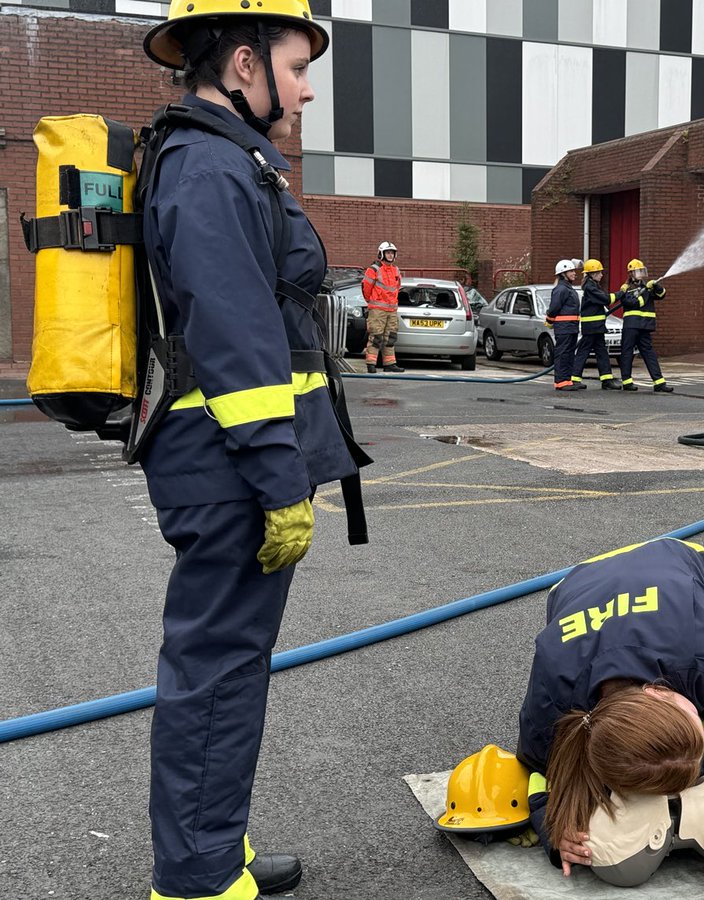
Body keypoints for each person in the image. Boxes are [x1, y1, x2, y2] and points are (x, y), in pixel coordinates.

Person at [140, 3, 368, 898]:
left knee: (229, 669)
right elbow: (237, 342)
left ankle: (210, 849)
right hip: (231, 468)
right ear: (244, 64)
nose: (307, 88)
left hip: (229, 462)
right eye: (297, 65)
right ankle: (196, 878)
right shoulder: (210, 169)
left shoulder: (227, 164)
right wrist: (280, 480)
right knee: (217, 673)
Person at [517, 538, 704, 875]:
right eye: (700, 728)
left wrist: (681, 781)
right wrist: (555, 832)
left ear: (660, 692)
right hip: (581, 584)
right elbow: (538, 770)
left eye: (698, 726)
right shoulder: (553, 689)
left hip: (688, 568)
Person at [615, 259, 671, 392]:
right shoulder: (626, 288)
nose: (641, 273)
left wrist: (657, 286)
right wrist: (646, 291)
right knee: (627, 352)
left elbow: (661, 295)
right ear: (631, 273)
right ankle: (627, 382)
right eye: (638, 271)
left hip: (645, 325)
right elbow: (634, 303)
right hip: (631, 326)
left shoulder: (646, 286)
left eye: (642, 270)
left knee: (649, 353)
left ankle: (659, 382)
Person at [571, 259, 619, 389]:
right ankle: (575, 378)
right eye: (599, 273)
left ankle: (606, 380)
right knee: (583, 352)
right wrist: (621, 294)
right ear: (592, 274)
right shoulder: (590, 287)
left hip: (596, 326)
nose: (602, 275)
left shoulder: (593, 285)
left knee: (602, 352)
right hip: (591, 327)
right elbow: (606, 299)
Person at [362, 240, 404, 373]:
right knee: (376, 336)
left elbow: (397, 288)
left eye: (392, 253)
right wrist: (372, 302)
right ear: (381, 254)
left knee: (390, 337)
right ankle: (371, 364)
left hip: (391, 310)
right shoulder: (374, 269)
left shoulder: (396, 270)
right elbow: (366, 288)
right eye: (388, 253)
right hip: (378, 310)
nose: (390, 255)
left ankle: (390, 363)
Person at [546, 258, 582, 391]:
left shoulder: (568, 288)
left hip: (570, 326)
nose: (574, 273)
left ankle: (568, 380)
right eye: (571, 271)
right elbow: (554, 308)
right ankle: (561, 381)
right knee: (563, 353)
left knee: (569, 353)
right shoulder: (561, 289)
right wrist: (549, 319)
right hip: (564, 327)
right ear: (563, 274)